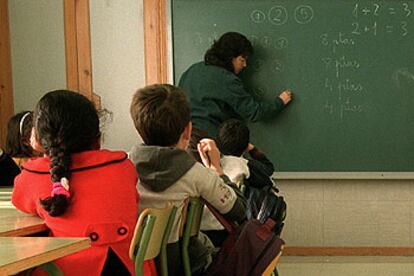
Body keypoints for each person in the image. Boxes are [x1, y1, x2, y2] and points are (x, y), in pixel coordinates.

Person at [12, 90, 156, 276]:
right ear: (96, 137)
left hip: (71, 270)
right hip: (131, 268)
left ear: (38, 139)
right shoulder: (122, 166)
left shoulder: (34, 175)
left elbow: (20, 201)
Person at [129, 84, 246, 276]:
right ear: (187, 131)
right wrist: (216, 169)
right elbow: (238, 211)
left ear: (138, 129)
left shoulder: (123, 169)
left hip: (133, 263)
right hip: (177, 264)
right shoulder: (196, 174)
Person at [178, 31, 293, 137]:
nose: (245, 65)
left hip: (184, 137)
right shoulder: (227, 79)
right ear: (230, 58)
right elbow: (254, 113)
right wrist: (280, 101)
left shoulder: (192, 70)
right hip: (210, 141)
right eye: (242, 60)